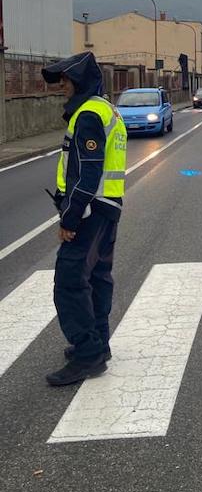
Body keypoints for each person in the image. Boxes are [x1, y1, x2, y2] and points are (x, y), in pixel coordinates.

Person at [41, 52, 127, 386]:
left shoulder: (89, 114)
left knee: (70, 280)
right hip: (108, 207)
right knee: (98, 276)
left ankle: (88, 353)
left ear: (78, 80)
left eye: (64, 80)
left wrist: (71, 218)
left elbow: (87, 174)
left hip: (91, 210)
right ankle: (98, 343)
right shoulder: (106, 108)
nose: (61, 86)